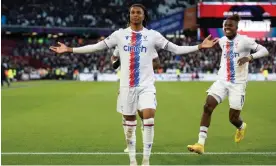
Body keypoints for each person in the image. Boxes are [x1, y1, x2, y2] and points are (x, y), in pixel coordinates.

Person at [50, 4, 218, 165]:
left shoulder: (153, 35)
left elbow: (175, 48)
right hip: (126, 87)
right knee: (130, 125)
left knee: (149, 116)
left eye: (138, 12)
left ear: (144, 16)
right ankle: (132, 160)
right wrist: (70, 49)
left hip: (146, 86)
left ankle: (146, 160)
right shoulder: (119, 34)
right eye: (132, 12)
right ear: (129, 15)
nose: (135, 15)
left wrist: (199, 46)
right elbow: (96, 47)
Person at [187, 14, 269, 154]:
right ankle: (200, 144)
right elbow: (219, 43)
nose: (227, 28)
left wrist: (249, 57)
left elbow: (265, 50)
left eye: (230, 25)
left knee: (233, 118)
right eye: (225, 25)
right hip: (222, 81)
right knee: (207, 107)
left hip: (238, 84)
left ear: (236, 28)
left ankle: (241, 126)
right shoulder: (222, 40)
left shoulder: (245, 41)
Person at [111, 46, 160, 153]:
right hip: (126, 84)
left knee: (144, 114)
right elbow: (114, 59)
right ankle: (130, 144)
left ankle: (146, 142)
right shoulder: (120, 42)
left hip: (143, 84)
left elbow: (157, 63)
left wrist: (143, 66)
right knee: (126, 116)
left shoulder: (147, 41)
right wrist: (117, 63)